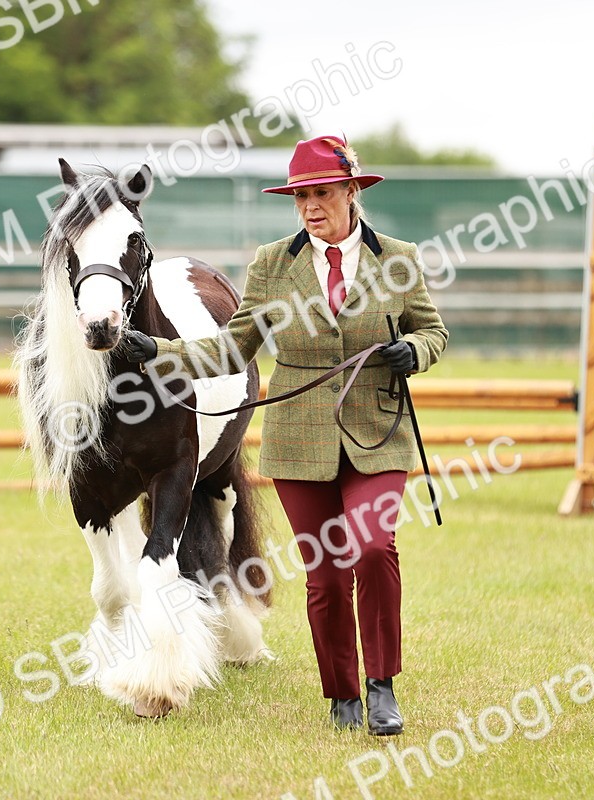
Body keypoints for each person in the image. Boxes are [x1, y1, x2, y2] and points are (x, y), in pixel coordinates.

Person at [120, 135, 448, 735]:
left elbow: (433, 331)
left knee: (374, 548)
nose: (310, 207)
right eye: (301, 197)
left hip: (378, 431)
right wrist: (159, 352)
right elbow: (232, 348)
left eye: (322, 193)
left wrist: (414, 350)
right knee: (327, 574)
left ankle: (382, 687)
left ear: (352, 191)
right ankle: (343, 694)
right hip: (299, 439)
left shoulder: (398, 258)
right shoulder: (272, 264)